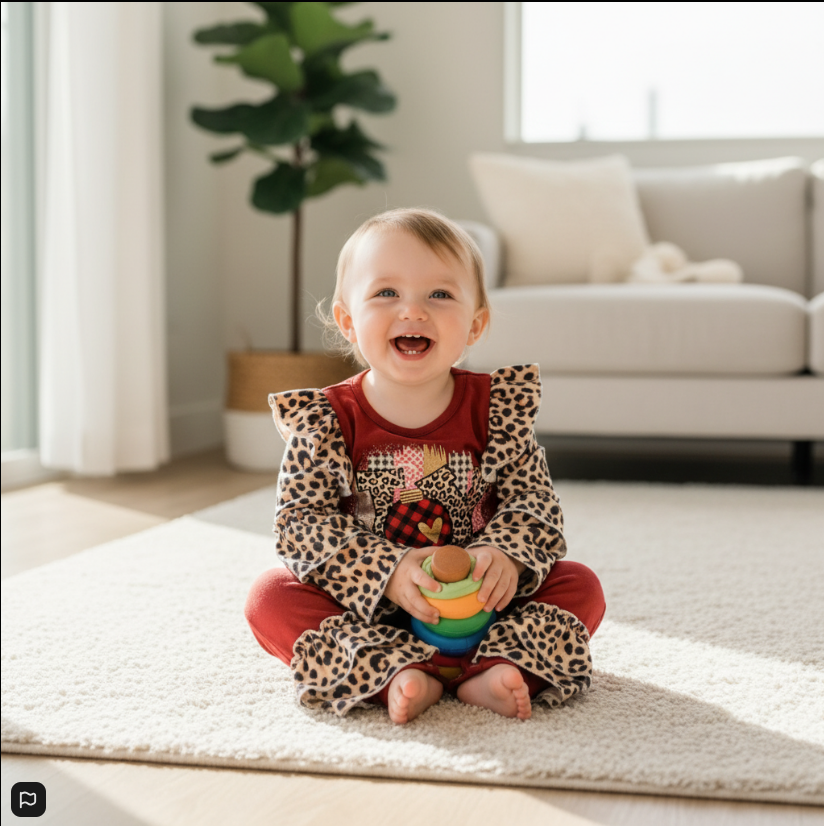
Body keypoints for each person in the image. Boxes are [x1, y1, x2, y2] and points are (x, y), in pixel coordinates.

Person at [244, 208, 605, 724]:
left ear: (475, 324)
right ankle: (397, 671)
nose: (412, 312)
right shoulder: (326, 421)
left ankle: (497, 665)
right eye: (386, 293)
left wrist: (504, 554)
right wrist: (386, 572)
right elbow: (301, 525)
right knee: (269, 598)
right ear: (347, 320)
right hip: (373, 612)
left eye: (439, 295)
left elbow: (535, 502)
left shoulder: (497, 409)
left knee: (580, 585)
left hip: (484, 608)